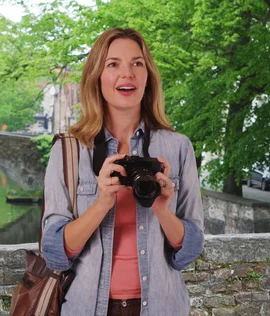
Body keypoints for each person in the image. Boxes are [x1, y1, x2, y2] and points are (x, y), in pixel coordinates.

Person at [42, 28, 204, 316]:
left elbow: (188, 254)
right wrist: (102, 202)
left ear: (148, 78)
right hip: (87, 307)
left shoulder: (178, 147)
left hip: (162, 307)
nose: (126, 74)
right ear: (97, 77)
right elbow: (54, 253)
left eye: (137, 64)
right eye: (113, 64)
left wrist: (163, 210)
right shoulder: (70, 150)